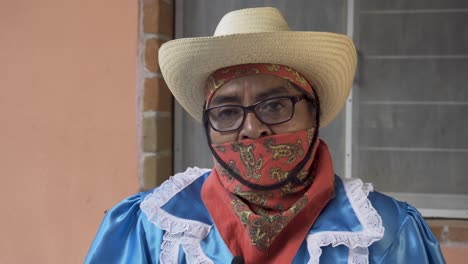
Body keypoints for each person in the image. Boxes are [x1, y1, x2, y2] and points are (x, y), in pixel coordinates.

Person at [85, 7, 445, 263]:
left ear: (313, 113)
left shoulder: (386, 234)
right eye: (227, 112)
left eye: (274, 105)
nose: (252, 128)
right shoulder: (152, 228)